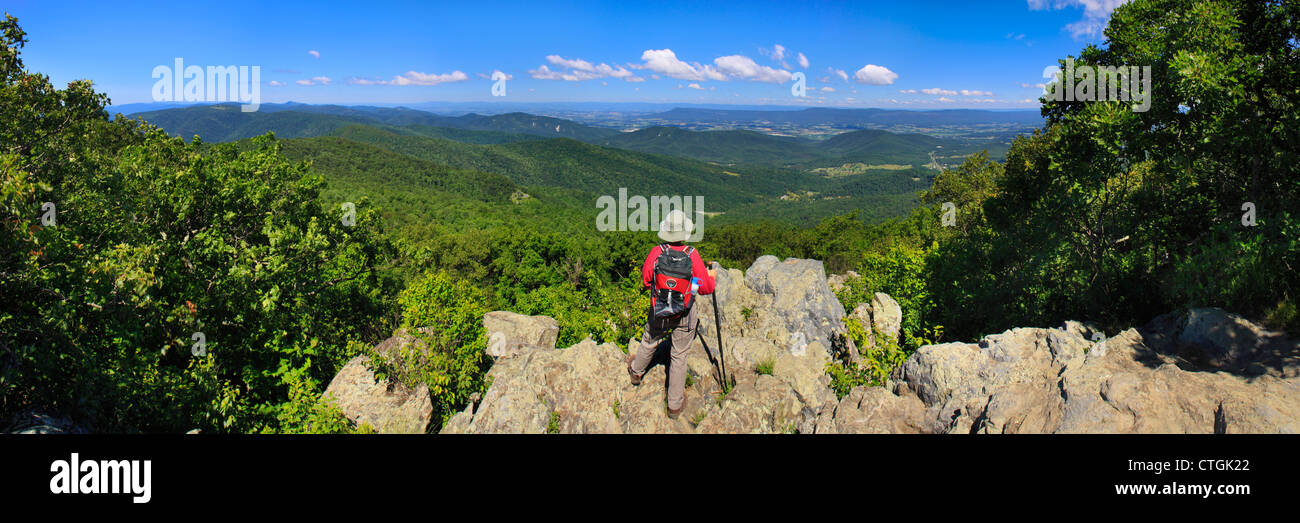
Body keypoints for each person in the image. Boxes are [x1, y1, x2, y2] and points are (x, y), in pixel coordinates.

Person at [627, 209, 715, 419]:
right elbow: (705, 288)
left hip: (659, 310)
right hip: (683, 314)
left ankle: (636, 373)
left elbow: (647, 279)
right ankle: (674, 406)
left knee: (649, 340)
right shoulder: (692, 255)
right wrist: (710, 275)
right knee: (679, 355)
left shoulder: (656, 252)